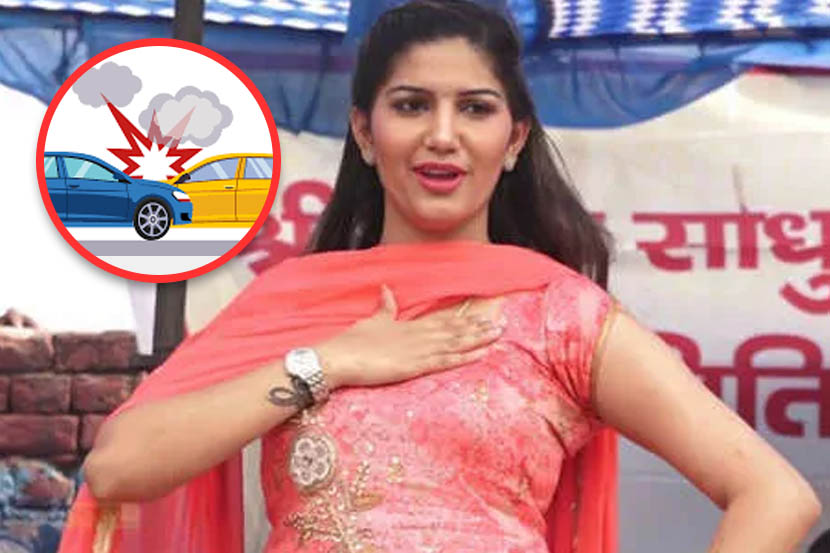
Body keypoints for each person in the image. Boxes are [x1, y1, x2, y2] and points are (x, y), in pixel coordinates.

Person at [59, 1, 821, 552]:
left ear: (514, 138)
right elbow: (119, 465)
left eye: (476, 108)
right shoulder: (297, 304)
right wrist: (332, 361)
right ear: (366, 131)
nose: (443, 135)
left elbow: (775, 496)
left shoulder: (559, 315)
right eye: (412, 105)